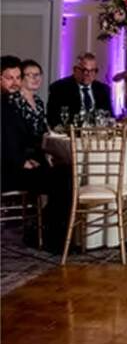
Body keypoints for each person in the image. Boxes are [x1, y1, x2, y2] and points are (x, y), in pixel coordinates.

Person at [1, 56, 70, 250]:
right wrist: (21, 160)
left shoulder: (8, 103)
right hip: (9, 171)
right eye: (9, 78)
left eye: (17, 77)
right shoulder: (6, 105)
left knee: (66, 173)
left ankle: (47, 232)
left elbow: (20, 138)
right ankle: (48, 237)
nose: (15, 83)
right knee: (63, 178)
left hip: (21, 163)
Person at [46, 53, 113, 127]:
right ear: (75, 70)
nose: (88, 74)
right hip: (70, 134)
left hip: (97, 135)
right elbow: (52, 118)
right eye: (85, 70)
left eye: (93, 70)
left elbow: (110, 116)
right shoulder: (59, 88)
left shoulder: (103, 89)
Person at [17, 60, 48, 135]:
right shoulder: (15, 100)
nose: (35, 78)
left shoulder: (38, 101)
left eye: (37, 74)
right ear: (21, 78)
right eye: (30, 75)